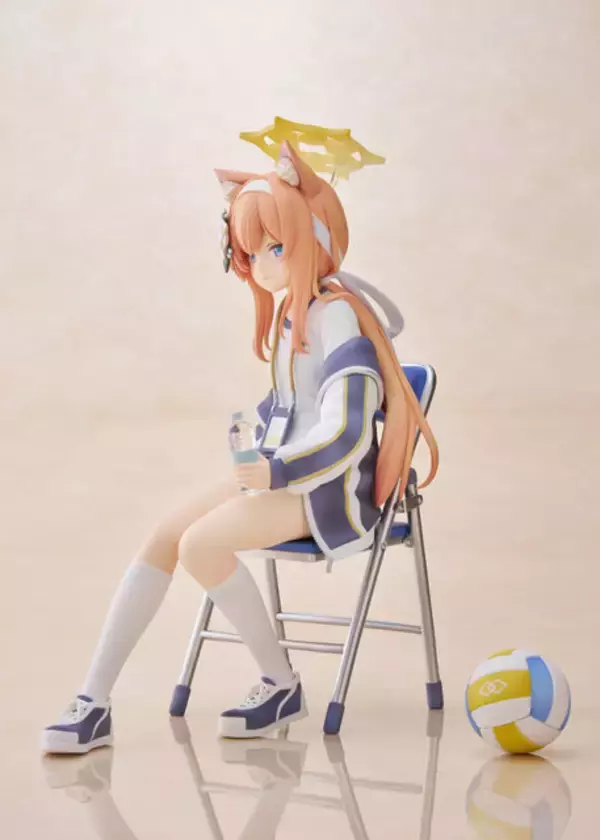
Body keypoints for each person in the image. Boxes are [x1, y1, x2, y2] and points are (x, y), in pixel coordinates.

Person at [41, 141, 438, 755]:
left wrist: (277, 469)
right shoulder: (294, 316)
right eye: (249, 252)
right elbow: (293, 407)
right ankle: (93, 700)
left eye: (274, 248)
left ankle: (281, 684)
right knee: (164, 534)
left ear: (311, 242)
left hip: (330, 490)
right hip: (281, 472)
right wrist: (255, 443)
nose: (259, 264)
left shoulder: (337, 318)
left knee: (201, 544)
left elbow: (347, 431)